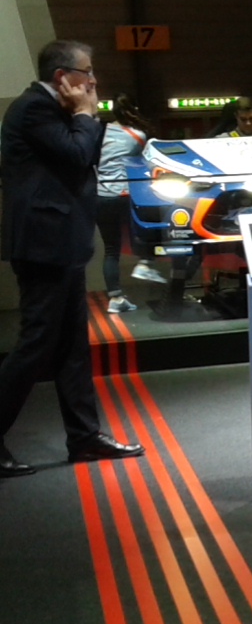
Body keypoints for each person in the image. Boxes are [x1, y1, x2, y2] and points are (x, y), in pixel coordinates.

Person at [0, 41, 145, 477]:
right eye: (88, 72)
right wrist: (85, 114)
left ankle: (83, 436)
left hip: (62, 243)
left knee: (72, 348)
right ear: (63, 76)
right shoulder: (34, 109)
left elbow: (85, 159)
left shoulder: (53, 109)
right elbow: (79, 154)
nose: (94, 80)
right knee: (36, 344)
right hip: (44, 245)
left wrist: (86, 116)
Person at [96, 95, 154, 314]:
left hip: (101, 195)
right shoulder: (138, 136)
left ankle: (115, 298)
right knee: (146, 229)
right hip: (123, 193)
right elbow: (144, 162)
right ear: (133, 109)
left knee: (111, 249)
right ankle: (145, 263)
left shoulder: (100, 132)